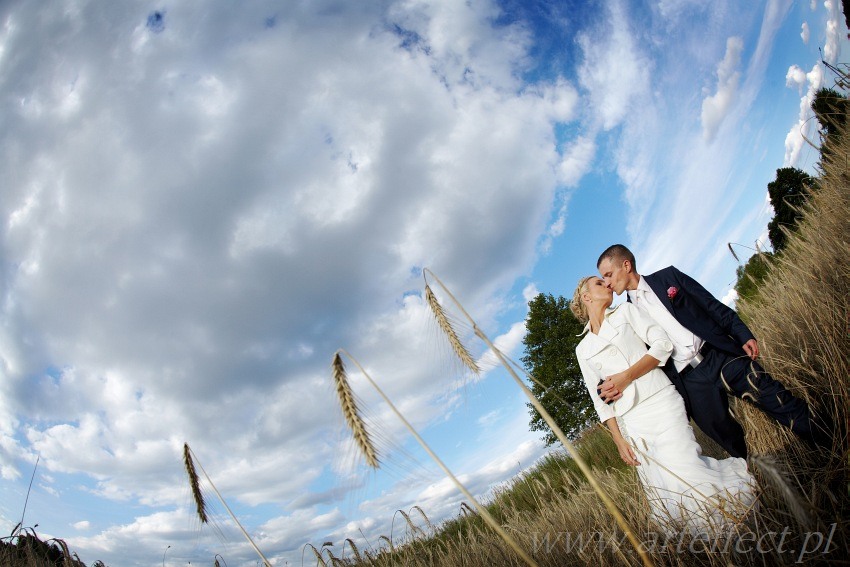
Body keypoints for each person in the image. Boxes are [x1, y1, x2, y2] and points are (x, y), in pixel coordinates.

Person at [596, 244, 826, 459]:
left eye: (608, 274)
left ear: (626, 266)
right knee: (729, 441)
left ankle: (831, 443)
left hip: (720, 355)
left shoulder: (669, 277)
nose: (606, 282)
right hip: (691, 382)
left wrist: (742, 333)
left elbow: (710, 304)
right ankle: (764, 483)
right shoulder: (627, 313)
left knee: (777, 400)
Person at [571, 275, 754, 534]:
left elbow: (662, 344)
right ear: (586, 297)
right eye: (600, 283)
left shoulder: (626, 312)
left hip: (660, 400)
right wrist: (618, 439)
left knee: (686, 465)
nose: (608, 284)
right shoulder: (583, 349)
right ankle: (702, 537)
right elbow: (597, 399)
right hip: (632, 421)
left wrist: (626, 377)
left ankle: (735, 515)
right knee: (665, 485)